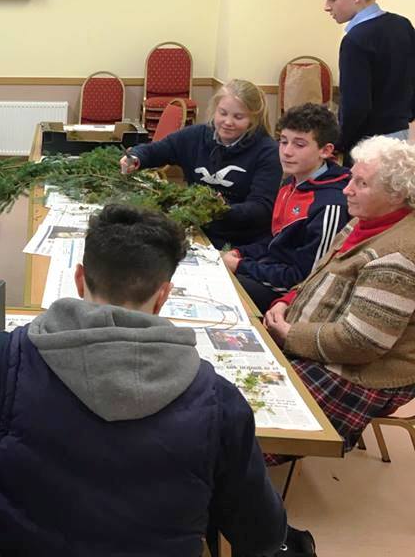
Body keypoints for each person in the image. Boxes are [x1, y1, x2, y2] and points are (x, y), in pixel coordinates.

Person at [0, 204, 288, 557]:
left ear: (78, 279)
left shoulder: (8, 356)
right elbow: (262, 536)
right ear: (163, 296)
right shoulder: (217, 400)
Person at [264, 135, 415, 457]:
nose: (347, 189)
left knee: (248, 425)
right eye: (351, 179)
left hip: (360, 373)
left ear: (397, 194)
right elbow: (317, 277)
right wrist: (286, 301)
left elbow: (360, 343)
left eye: (361, 183)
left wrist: (290, 334)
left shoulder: (399, 256)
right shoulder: (364, 220)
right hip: (317, 345)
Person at [120, 79, 281, 248]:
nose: (228, 122)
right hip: (196, 229)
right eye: (223, 113)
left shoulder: (268, 152)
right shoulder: (196, 136)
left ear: (253, 119)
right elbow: (159, 149)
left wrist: (221, 209)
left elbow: (261, 209)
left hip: (239, 241)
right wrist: (136, 157)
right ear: (214, 110)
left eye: (238, 117)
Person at [223, 103, 350, 312]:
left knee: (224, 291)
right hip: (270, 272)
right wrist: (240, 253)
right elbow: (275, 241)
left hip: (290, 298)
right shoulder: (289, 184)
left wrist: (242, 266)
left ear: (325, 150)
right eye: (283, 142)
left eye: (299, 145)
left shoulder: (331, 205)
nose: (286, 152)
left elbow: (308, 279)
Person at [320, 0, 415, 160]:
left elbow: (356, 107)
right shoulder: (403, 25)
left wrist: (339, 144)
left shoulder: (355, 40)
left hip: (367, 147)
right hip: (400, 139)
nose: (326, 7)